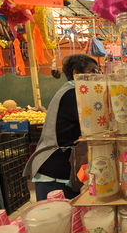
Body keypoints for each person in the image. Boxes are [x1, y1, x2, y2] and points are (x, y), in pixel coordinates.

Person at [23, 54, 98, 201]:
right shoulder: (72, 95)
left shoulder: (74, 92)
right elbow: (93, 122)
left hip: (63, 165)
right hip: (55, 170)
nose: (98, 75)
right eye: (93, 71)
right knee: (58, 218)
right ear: (76, 74)